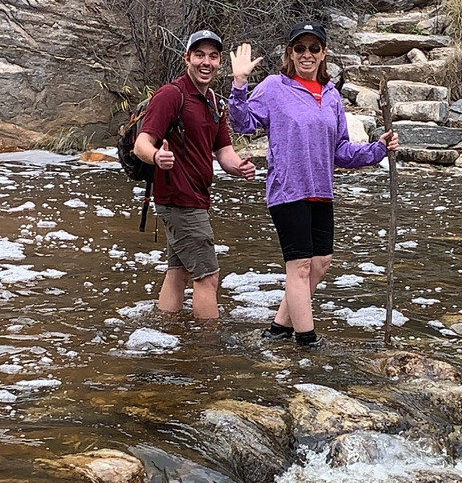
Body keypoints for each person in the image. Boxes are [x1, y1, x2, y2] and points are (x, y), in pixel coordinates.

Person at [228, 20, 399, 348]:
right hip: (287, 190)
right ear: (290, 53)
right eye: (300, 48)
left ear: (324, 54)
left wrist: (378, 148)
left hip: (321, 190)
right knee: (300, 267)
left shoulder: (332, 95)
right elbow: (242, 124)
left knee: (320, 264)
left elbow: (341, 151)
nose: (307, 54)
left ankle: (279, 328)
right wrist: (240, 83)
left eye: (314, 48)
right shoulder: (274, 87)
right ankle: (307, 341)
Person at [134, 29, 256, 319]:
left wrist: (239, 167)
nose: (206, 62)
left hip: (195, 199)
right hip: (178, 198)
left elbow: (224, 152)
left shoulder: (214, 101)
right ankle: (207, 350)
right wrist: (157, 156)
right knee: (208, 277)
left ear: (219, 64)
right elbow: (141, 144)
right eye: (199, 55)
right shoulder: (170, 95)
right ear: (186, 58)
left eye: (213, 57)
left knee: (179, 272)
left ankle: (168, 329)